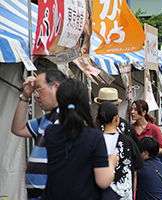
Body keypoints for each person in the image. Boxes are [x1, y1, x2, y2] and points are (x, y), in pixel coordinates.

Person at [41, 79, 118, 199]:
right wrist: (111, 163)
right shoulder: (94, 137)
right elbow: (103, 182)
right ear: (85, 104)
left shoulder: (50, 132)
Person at [11, 68, 67, 200]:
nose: (36, 95)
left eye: (39, 89)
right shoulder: (47, 119)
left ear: (56, 88)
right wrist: (25, 97)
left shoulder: (66, 119)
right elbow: (18, 129)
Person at [97, 102, 144, 200]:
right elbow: (135, 172)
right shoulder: (128, 141)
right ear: (116, 118)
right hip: (124, 194)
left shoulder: (94, 142)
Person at [93, 87, 142, 152]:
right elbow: (138, 152)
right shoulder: (128, 128)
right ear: (118, 105)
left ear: (98, 105)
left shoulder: (90, 129)